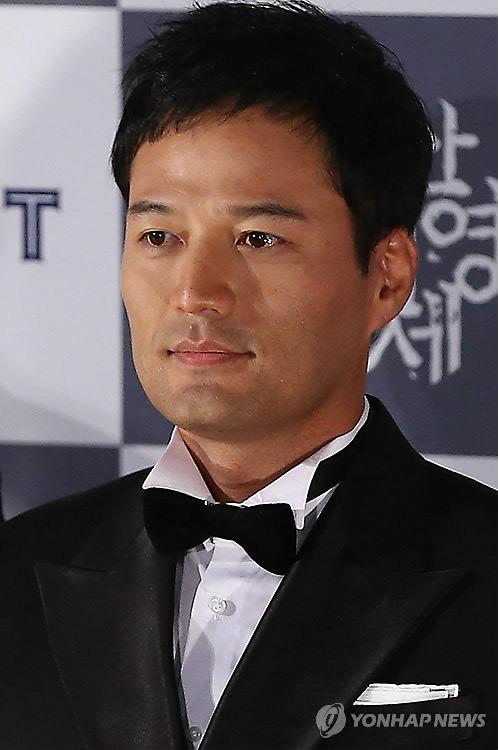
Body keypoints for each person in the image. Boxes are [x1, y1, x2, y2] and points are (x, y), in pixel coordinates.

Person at [0, 2, 496, 748]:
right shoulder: (17, 570)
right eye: (158, 235)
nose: (196, 293)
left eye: (258, 238)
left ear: (387, 277)